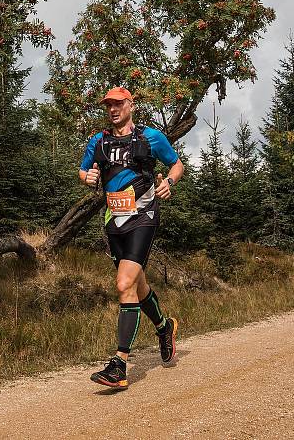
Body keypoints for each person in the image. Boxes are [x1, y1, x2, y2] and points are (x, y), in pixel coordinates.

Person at [79, 86, 184, 389]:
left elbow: (176, 165)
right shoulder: (98, 141)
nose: (112, 109)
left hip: (144, 217)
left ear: (130, 105)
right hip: (115, 221)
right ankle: (164, 327)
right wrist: (87, 177)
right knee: (136, 286)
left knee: (123, 283)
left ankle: (119, 365)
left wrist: (170, 183)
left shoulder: (150, 137)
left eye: (118, 104)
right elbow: (83, 171)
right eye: (108, 105)